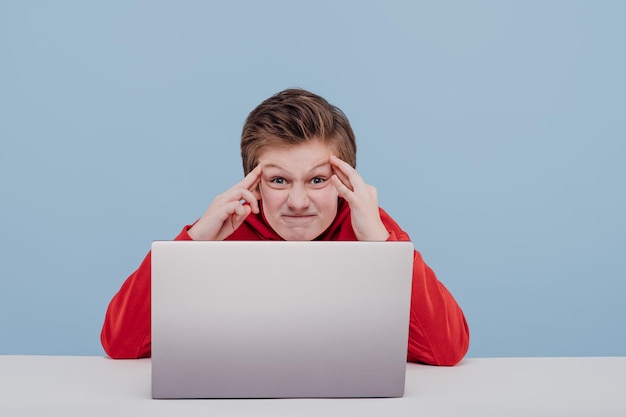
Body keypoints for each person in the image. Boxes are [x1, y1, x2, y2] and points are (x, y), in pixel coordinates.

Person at [101, 88, 470, 365]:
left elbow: (446, 349)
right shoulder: (226, 229)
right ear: (253, 181)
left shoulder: (369, 226)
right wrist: (192, 242)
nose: (297, 202)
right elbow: (121, 344)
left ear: (346, 180)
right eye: (278, 181)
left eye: (317, 180)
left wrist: (380, 241)